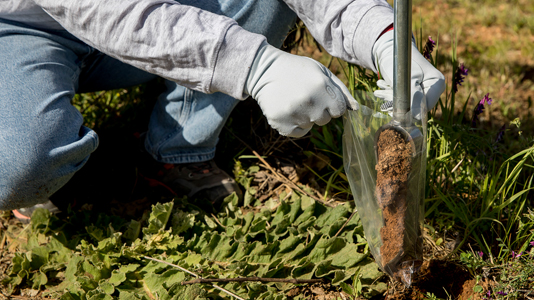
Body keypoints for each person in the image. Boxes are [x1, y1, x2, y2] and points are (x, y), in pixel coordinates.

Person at [0, 0, 444, 223]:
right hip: (25, 26)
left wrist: (383, 36)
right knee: (24, 162)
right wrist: (255, 66)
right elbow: (101, 9)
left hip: (162, 9)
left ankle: (177, 148)